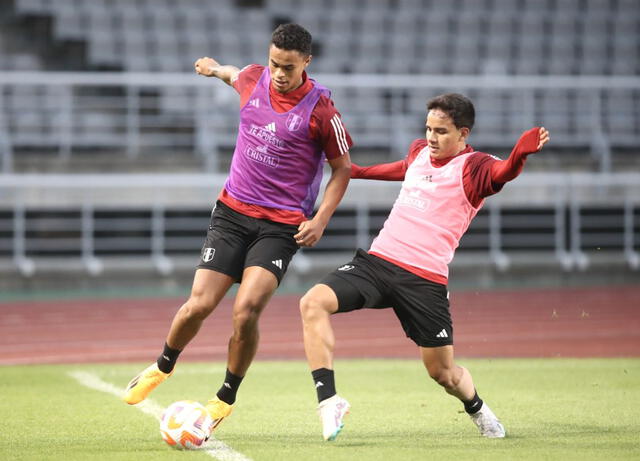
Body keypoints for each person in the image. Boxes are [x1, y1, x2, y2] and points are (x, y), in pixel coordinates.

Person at [123, 23, 352, 433]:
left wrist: (320, 219)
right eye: (274, 63)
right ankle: (162, 367)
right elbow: (233, 74)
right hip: (231, 213)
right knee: (199, 305)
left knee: (245, 311)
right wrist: (212, 68)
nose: (279, 74)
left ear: (306, 63)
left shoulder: (321, 111)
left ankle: (225, 397)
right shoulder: (253, 78)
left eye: (288, 66)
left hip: (280, 226)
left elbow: (342, 168)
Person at [299, 93, 550, 441]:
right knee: (312, 302)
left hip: (424, 280)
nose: (431, 137)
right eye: (429, 128)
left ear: (463, 134)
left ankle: (477, 408)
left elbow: (503, 172)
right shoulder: (420, 151)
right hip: (380, 262)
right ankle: (329, 401)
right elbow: (403, 169)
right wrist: (353, 171)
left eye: (442, 131)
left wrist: (519, 155)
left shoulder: (474, 168)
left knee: (443, 373)